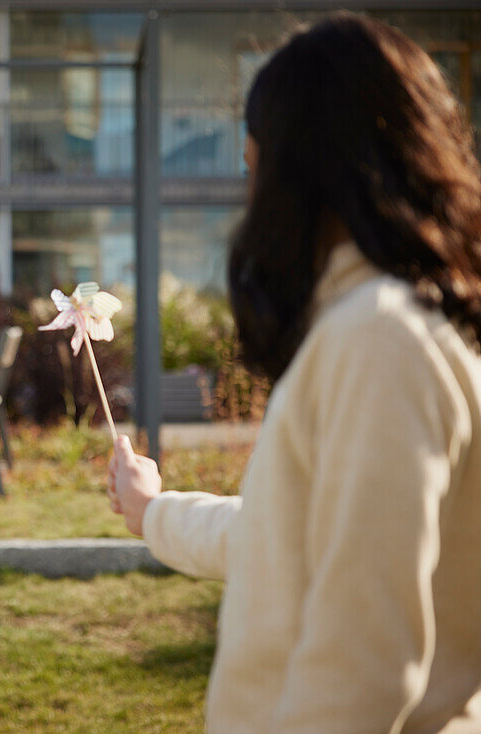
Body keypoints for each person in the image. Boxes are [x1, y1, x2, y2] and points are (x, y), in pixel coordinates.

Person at [108, 15, 481, 733]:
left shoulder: (379, 340)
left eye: (254, 164)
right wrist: (154, 513)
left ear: (293, 166)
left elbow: (365, 666)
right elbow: (295, 538)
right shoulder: (380, 329)